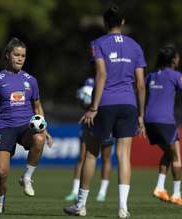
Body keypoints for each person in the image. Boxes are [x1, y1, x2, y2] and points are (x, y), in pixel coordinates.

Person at [63, 4, 146, 218]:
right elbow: (140, 84)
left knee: (91, 154)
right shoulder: (135, 46)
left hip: (106, 103)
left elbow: (101, 75)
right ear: (123, 22)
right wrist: (141, 115)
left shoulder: (98, 43)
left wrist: (93, 107)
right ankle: (123, 208)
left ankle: (80, 206)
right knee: (124, 156)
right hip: (129, 104)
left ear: (105, 23)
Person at [0, 37, 54, 214]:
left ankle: (27, 177)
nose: (20, 58)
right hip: (5, 128)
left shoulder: (31, 80)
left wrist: (44, 129)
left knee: (39, 139)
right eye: (16, 54)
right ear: (8, 55)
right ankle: (0, 203)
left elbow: (37, 106)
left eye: (23, 56)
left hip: (26, 126)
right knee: (1, 172)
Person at [64, 78, 114, 202]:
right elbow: (83, 106)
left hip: (105, 124)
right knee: (82, 157)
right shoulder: (85, 91)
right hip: (88, 124)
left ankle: (102, 192)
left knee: (106, 158)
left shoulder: (106, 88)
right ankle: (75, 191)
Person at [145, 45, 182, 205]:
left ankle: (160, 187)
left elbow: (141, 90)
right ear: (173, 59)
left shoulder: (151, 76)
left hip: (149, 121)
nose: (179, 59)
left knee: (168, 153)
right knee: (176, 157)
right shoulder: (176, 76)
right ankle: (176, 194)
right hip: (165, 121)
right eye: (178, 57)